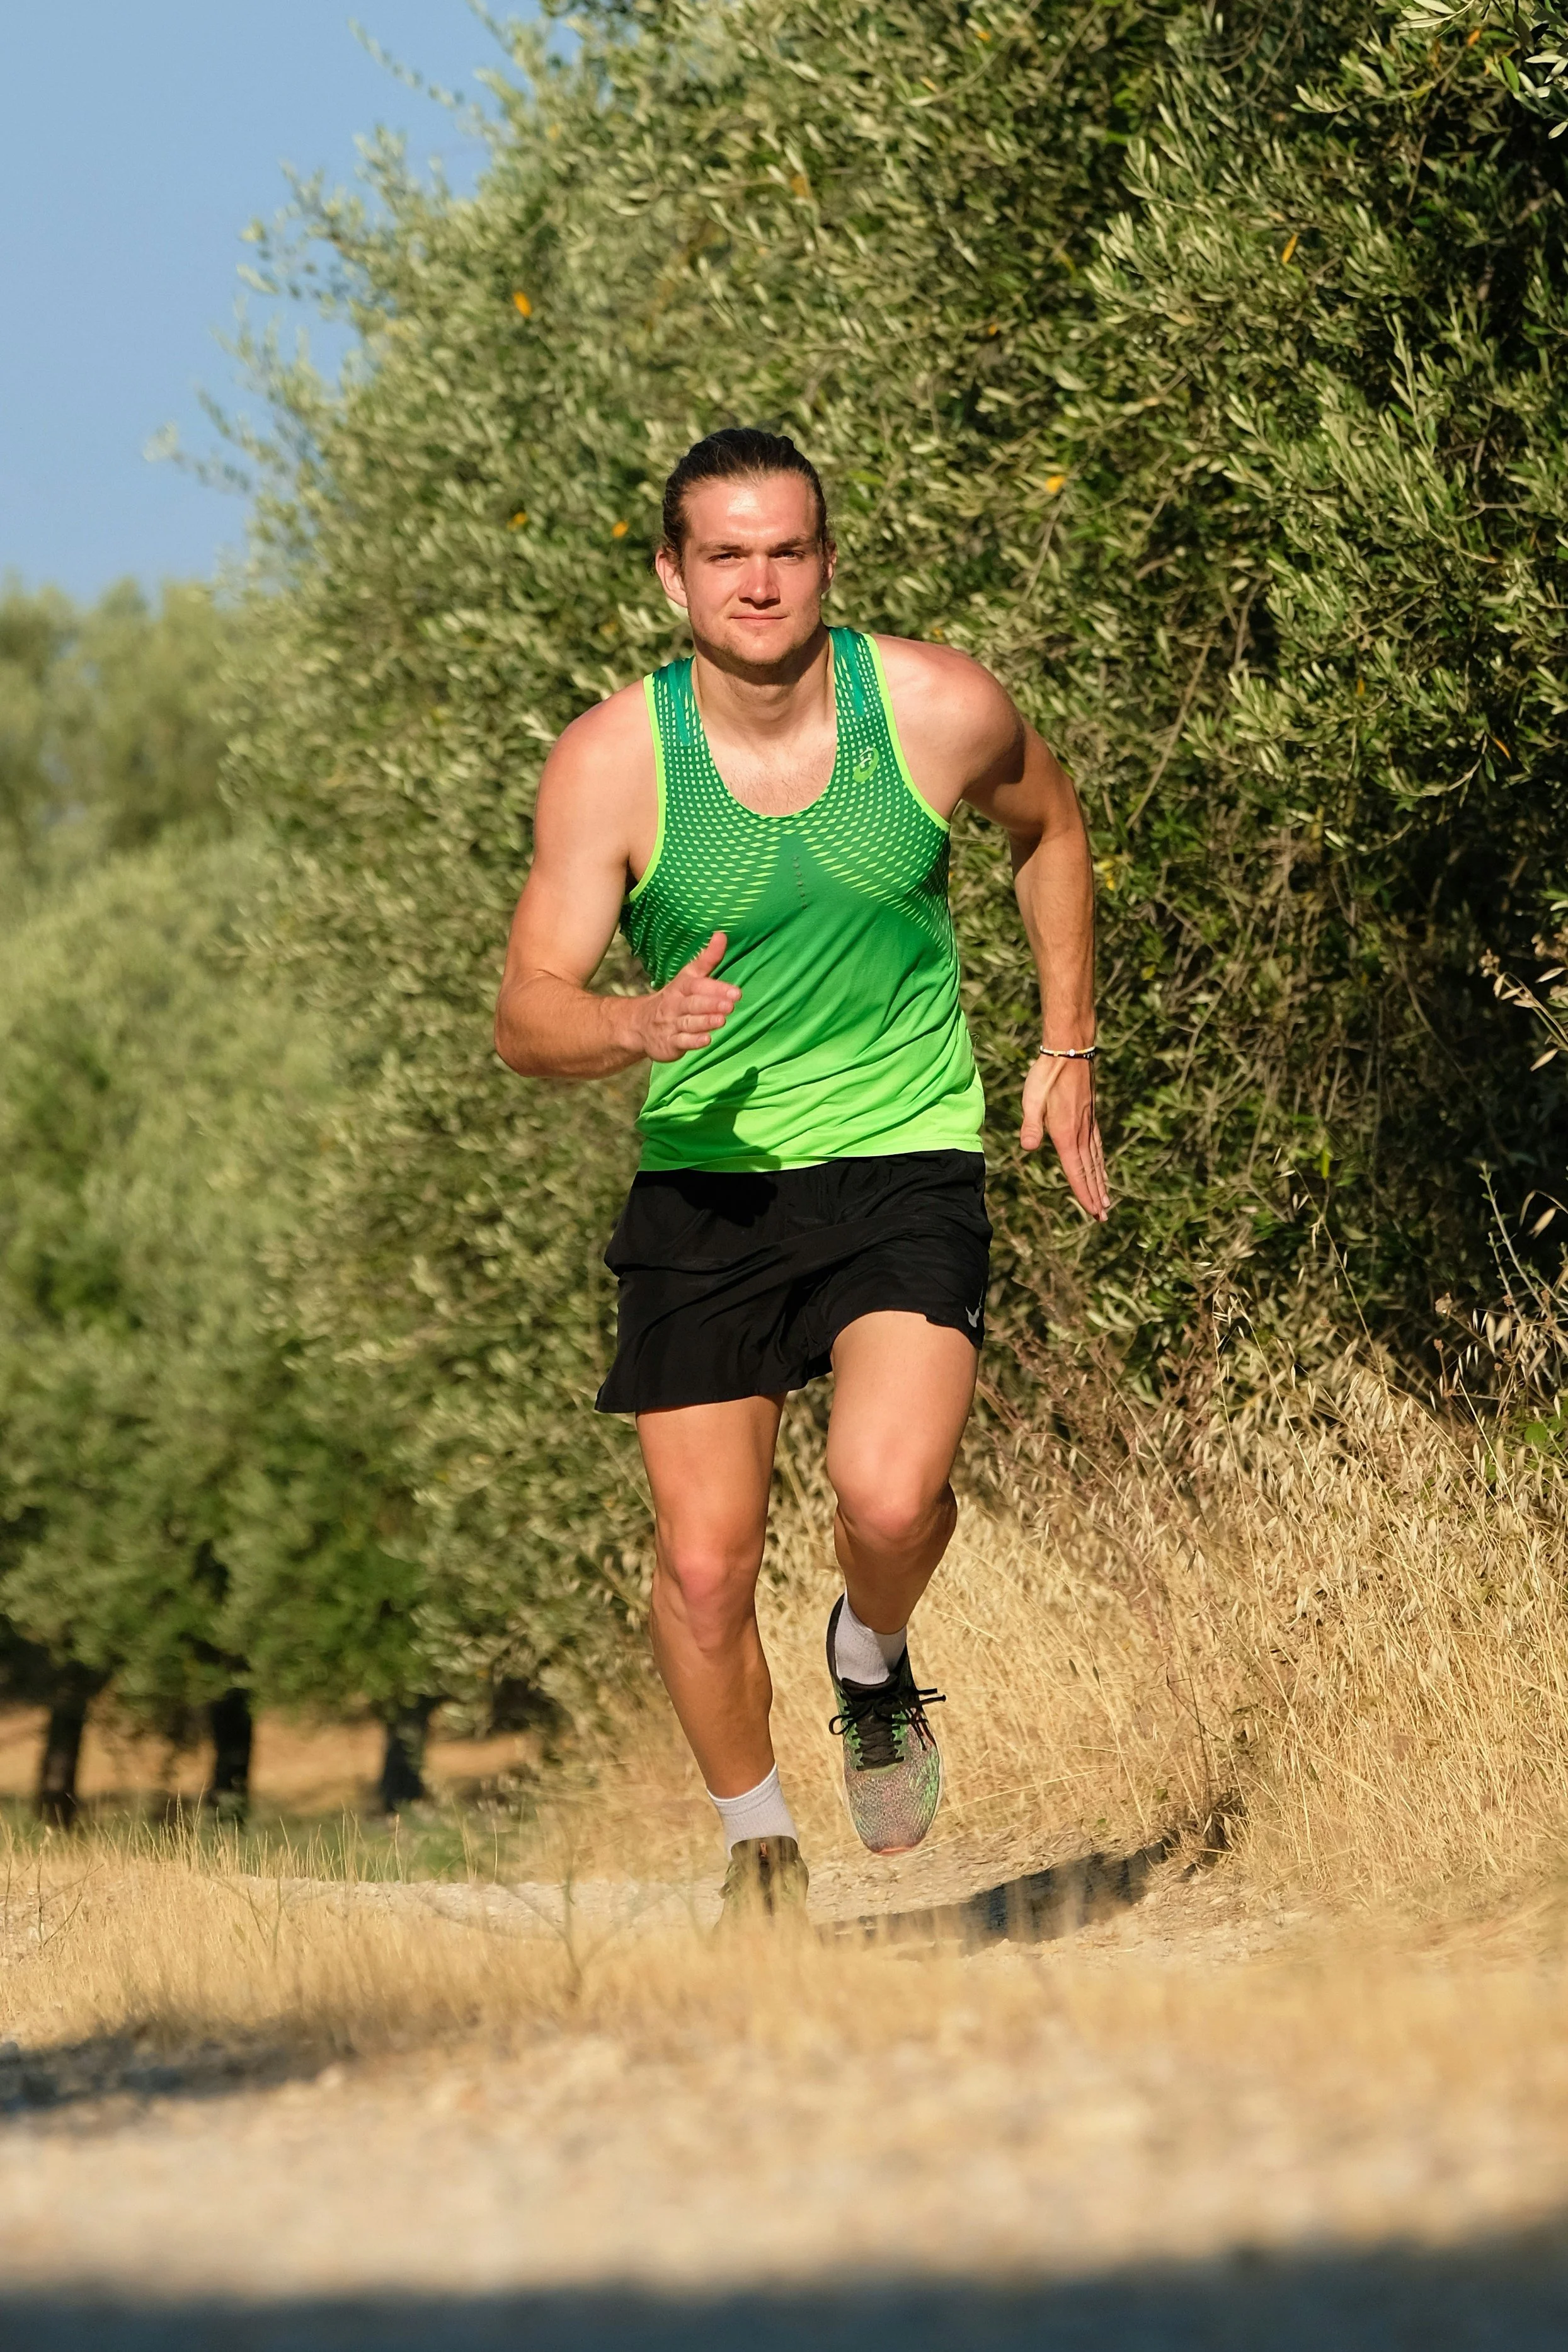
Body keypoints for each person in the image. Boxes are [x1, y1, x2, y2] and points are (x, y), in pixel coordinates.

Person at [495, 427, 1107, 1920]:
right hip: (707, 1193)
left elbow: (1051, 828)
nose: (758, 582)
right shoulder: (614, 761)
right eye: (725, 554)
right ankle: (757, 1848)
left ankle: (870, 1659)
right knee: (703, 1575)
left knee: (889, 1502)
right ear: (671, 573)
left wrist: (1065, 1044)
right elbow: (525, 1012)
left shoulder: (936, 707)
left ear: (826, 560)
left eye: (786, 551)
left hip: (901, 1159)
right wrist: (630, 1024)